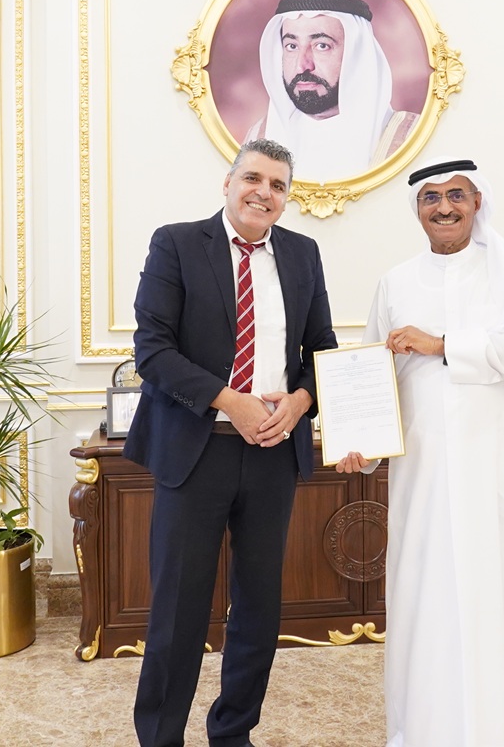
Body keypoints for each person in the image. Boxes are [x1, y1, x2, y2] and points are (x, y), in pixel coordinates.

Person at [124, 138, 337, 747]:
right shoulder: (176, 244)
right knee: (178, 609)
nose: (263, 193)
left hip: (274, 454)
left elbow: (321, 350)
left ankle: (233, 732)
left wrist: (301, 401)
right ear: (228, 182)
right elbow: (153, 350)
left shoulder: (302, 254)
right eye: (253, 178)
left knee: (258, 607)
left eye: (277, 186)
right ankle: (160, 736)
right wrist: (229, 400)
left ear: (286, 198)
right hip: (197, 451)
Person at [336, 158, 504, 747]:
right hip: (422, 480)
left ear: (477, 202)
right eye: (431, 198)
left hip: (493, 472)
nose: (445, 207)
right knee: (424, 603)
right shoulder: (396, 282)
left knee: (494, 597)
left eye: (456, 195)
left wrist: (441, 345)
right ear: (418, 210)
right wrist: (361, 447)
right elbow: (374, 374)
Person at [244, 0, 419, 180]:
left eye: (322, 46)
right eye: (292, 46)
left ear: (357, 55)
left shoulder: (410, 137)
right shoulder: (258, 137)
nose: (302, 65)